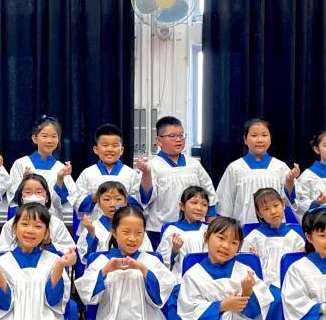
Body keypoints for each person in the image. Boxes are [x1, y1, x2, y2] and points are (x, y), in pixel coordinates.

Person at [142, 116, 217, 245]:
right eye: (172, 136)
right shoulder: (152, 166)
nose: (178, 140)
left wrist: (211, 224)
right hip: (159, 229)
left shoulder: (194, 165)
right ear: (159, 141)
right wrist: (145, 174)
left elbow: (209, 194)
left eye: (181, 135)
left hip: (195, 229)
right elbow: (144, 198)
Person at [215, 118, 300, 224]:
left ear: (270, 139)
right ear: (245, 140)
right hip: (244, 228)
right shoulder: (235, 168)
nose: (260, 140)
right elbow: (225, 204)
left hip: (274, 229)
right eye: (254, 135)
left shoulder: (280, 167)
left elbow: (291, 200)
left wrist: (290, 180)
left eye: (264, 135)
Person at [70, 124, 153, 223]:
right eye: (105, 145)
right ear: (96, 149)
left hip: (123, 225)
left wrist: (120, 198)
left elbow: (141, 202)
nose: (110, 149)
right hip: (93, 226)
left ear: (121, 150)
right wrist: (96, 196)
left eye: (115, 145)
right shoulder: (87, 174)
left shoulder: (130, 174)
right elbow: (77, 201)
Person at [6, 116, 77, 223]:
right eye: (45, 136)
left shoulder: (61, 168)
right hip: (26, 221)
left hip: (52, 222)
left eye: (54, 136)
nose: (49, 140)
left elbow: (65, 203)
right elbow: (13, 200)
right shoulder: (21, 164)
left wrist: (60, 179)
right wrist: (24, 182)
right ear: (35, 139)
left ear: (58, 139)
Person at [0, 174, 77, 254]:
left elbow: (69, 252)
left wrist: (48, 244)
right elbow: (2, 253)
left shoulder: (57, 224)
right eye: (28, 192)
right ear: (21, 197)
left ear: (47, 197)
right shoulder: (10, 225)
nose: (33, 196)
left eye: (39, 192)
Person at [76, 181, 152, 261]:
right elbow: (86, 258)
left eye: (118, 199)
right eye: (106, 199)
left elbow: (148, 257)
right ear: (99, 203)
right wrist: (91, 233)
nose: (112, 204)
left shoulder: (136, 227)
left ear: (126, 201)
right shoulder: (93, 226)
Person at [156, 186, 212, 276]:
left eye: (204, 205)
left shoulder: (209, 230)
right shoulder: (172, 231)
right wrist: (174, 250)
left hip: (205, 276)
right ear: (182, 206)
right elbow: (162, 263)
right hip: (180, 278)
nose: (199, 208)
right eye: (194, 203)